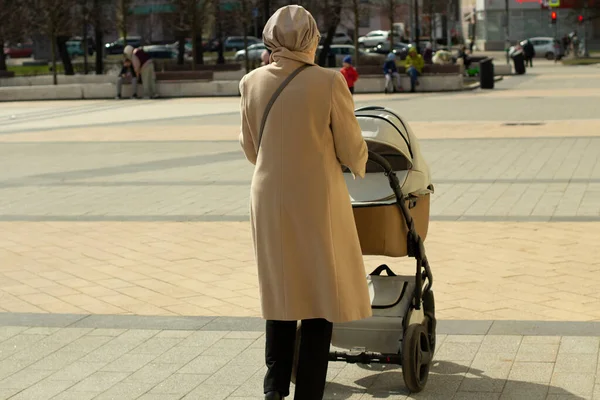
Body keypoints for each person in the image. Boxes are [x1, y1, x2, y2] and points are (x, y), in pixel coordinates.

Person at [238, 5, 372, 400]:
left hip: (268, 195)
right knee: (318, 292)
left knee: (280, 291)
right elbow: (351, 148)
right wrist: (358, 162)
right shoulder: (328, 82)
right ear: (311, 37)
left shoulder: (251, 82)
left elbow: (250, 148)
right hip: (315, 196)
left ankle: (275, 389)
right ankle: (309, 392)